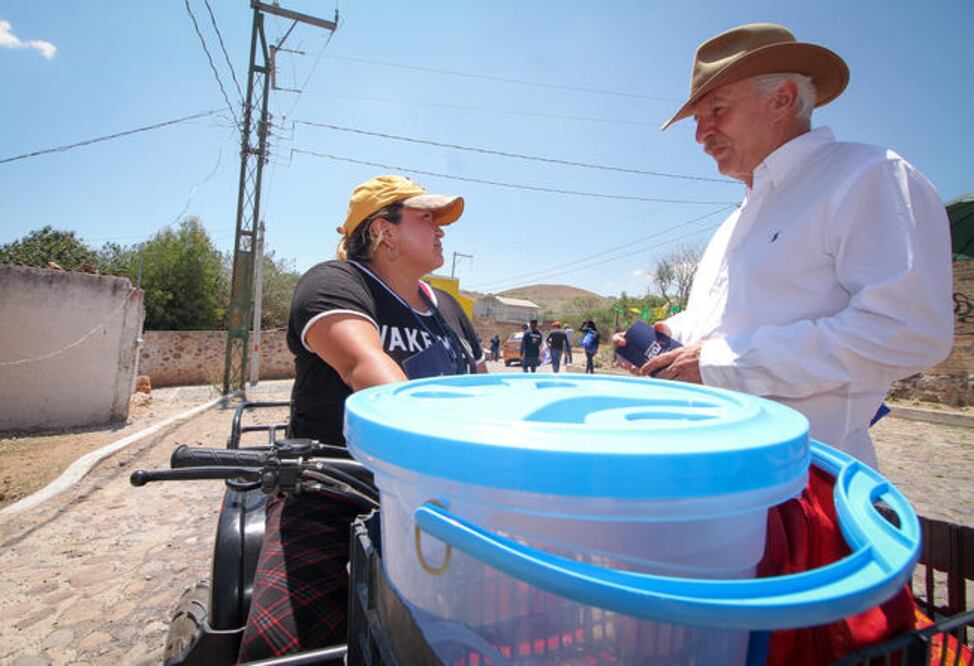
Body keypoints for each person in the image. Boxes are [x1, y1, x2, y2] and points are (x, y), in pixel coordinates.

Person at [619, 23, 953, 469]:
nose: (701, 134)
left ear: (782, 99)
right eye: (698, 119)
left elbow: (909, 331)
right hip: (712, 468)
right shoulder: (736, 220)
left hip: (802, 478)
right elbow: (732, 322)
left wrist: (719, 364)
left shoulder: (869, 176)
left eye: (716, 110)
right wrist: (665, 342)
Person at [238, 175, 486, 660]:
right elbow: (364, 366)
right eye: (427, 219)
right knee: (284, 647)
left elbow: (482, 391)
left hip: (441, 497)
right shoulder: (336, 283)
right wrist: (444, 455)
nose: (441, 230)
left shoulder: (450, 309)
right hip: (335, 489)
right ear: (383, 232)